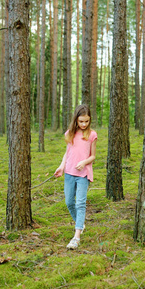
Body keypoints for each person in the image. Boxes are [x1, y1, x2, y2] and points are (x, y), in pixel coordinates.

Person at [54, 105, 97, 249]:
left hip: (83, 174)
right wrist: (61, 166)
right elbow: (68, 152)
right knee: (68, 202)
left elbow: (93, 156)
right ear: (76, 120)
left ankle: (76, 237)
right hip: (69, 173)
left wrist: (84, 162)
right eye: (81, 121)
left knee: (80, 203)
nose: (84, 124)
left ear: (89, 120)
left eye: (86, 121)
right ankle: (80, 223)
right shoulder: (70, 134)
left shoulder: (92, 135)